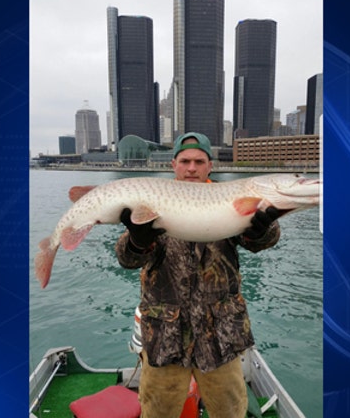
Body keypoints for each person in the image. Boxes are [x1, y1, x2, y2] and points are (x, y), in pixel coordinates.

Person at [115, 132, 282, 418]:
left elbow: (262, 241)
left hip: (221, 335)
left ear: (210, 166)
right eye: (185, 161)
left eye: (199, 161)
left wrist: (261, 229)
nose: (191, 167)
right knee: (158, 411)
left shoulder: (231, 197)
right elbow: (126, 258)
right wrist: (137, 240)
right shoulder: (153, 199)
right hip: (165, 335)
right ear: (173, 165)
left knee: (229, 410)